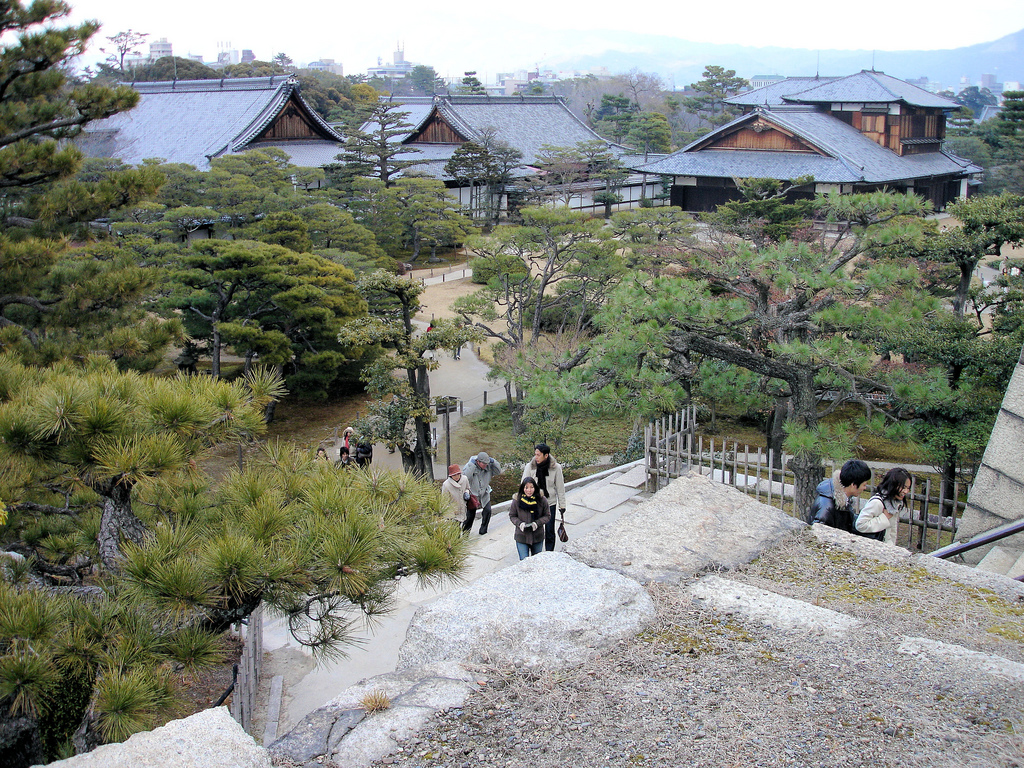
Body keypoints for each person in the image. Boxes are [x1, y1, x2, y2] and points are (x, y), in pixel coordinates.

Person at [522, 443, 567, 552]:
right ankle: (535, 553)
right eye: (535, 454)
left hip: (549, 502)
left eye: (538, 455)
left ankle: (549, 553)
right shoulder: (530, 466)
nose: (536, 457)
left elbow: (560, 487)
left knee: (549, 530)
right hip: (533, 503)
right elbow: (523, 485)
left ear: (546, 455)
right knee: (533, 529)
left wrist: (562, 505)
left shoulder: (556, 468)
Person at [807, 459, 872, 534]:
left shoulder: (842, 498)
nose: (865, 488)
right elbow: (818, 535)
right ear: (853, 485)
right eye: (864, 485)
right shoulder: (827, 507)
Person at [856, 467, 912, 544]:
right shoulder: (877, 502)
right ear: (893, 485)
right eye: (903, 487)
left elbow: (891, 532)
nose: (906, 491)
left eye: (908, 488)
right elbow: (860, 525)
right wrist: (884, 518)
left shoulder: (894, 504)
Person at [509, 476, 550, 560]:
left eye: (531, 487)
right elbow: (512, 515)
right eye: (526, 487)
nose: (529, 490)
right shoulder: (517, 500)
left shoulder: (542, 500)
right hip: (522, 536)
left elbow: (547, 515)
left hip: (537, 536)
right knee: (524, 562)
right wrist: (519, 523)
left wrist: (537, 523)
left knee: (537, 561)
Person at [462, 451, 502, 535]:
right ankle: (465, 534)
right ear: (478, 462)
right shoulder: (470, 466)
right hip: (473, 495)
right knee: (470, 515)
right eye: (483, 463)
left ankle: (483, 530)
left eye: (487, 463)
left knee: (488, 511)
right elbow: (465, 477)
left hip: (484, 493)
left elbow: (498, 471)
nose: (485, 465)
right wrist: (472, 465)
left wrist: (493, 461)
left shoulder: (489, 466)